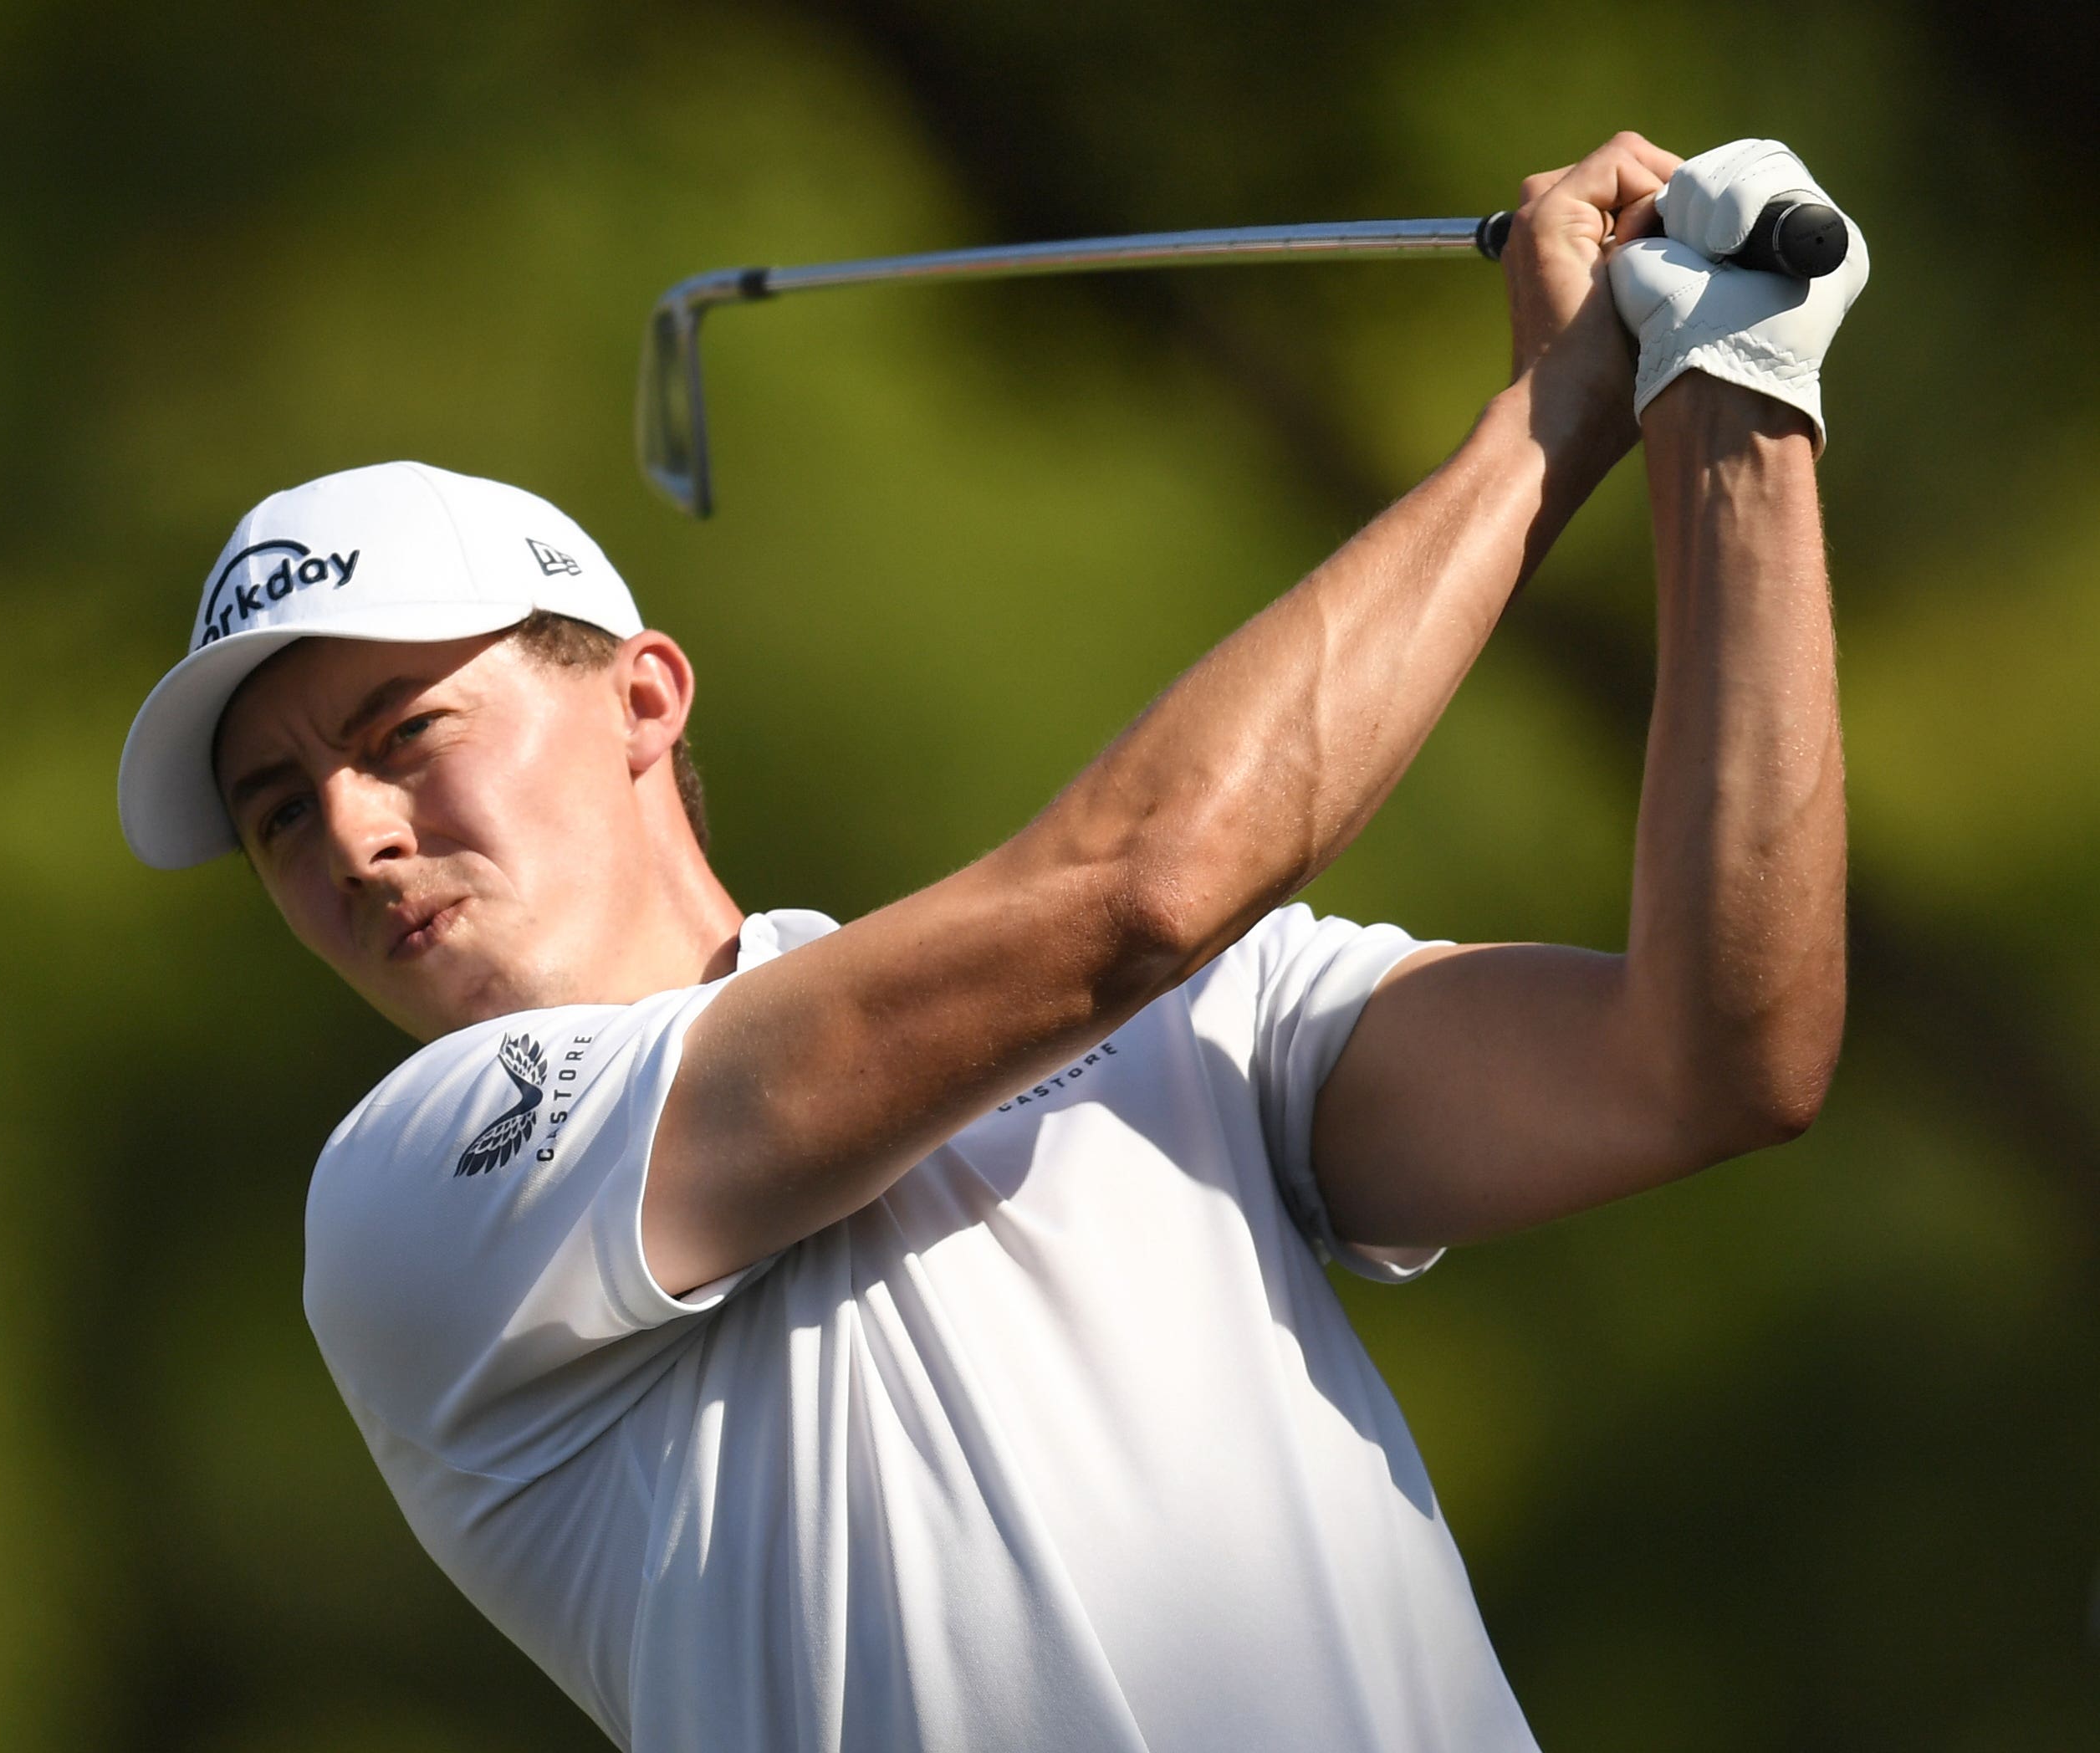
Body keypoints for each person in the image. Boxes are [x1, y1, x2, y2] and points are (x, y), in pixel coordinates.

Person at [115, 134, 1863, 1750]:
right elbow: (1143, 889)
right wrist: (1560, 408)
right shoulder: (418, 1193)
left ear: (643, 698)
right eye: (278, 810)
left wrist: (1739, 410)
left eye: (403, 729)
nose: (348, 833)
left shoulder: (1202, 1013)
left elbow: (1710, 1061)